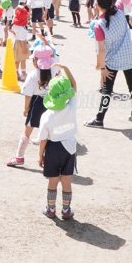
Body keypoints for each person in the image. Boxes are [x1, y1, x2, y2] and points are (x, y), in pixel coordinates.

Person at [86, 0, 132, 127]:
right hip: (130, 56)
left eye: (96, 3)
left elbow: (101, 50)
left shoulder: (98, 25)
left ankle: (99, 119)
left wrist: (102, 68)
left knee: (106, 91)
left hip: (112, 61)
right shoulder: (119, 10)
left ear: (101, 6)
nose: (95, 5)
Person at [38, 65, 78, 220]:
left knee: (53, 180)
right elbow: (74, 85)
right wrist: (66, 68)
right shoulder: (71, 106)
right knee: (66, 180)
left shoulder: (47, 116)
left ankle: (51, 209)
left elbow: (43, 139)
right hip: (70, 146)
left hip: (53, 148)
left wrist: (40, 155)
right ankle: (66, 210)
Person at [6, 57, 59, 167]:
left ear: (36, 61)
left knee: (27, 132)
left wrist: (26, 108)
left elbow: (28, 94)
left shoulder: (33, 74)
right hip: (52, 103)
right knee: (50, 133)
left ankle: (19, 157)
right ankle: (48, 159)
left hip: (37, 103)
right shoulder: (56, 71)